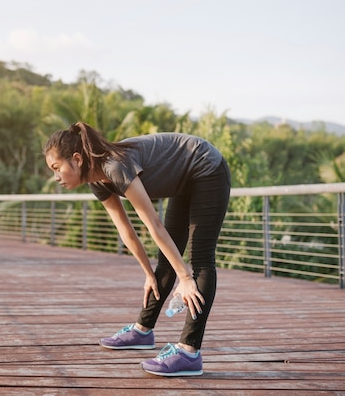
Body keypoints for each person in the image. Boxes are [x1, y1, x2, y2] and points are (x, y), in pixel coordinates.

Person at [43, 122, 231, 377]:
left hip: (206, 167)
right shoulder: (97, 181)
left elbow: (152, 223)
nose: (56, 177)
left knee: (201, 260)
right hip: (185, 179)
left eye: (56, 168)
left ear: (76, 159)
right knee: (166, 260)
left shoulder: (114, 166)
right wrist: (147, 273)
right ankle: (143, 331)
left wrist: (185, 278)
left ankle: (189, 351)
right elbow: (126, 231)